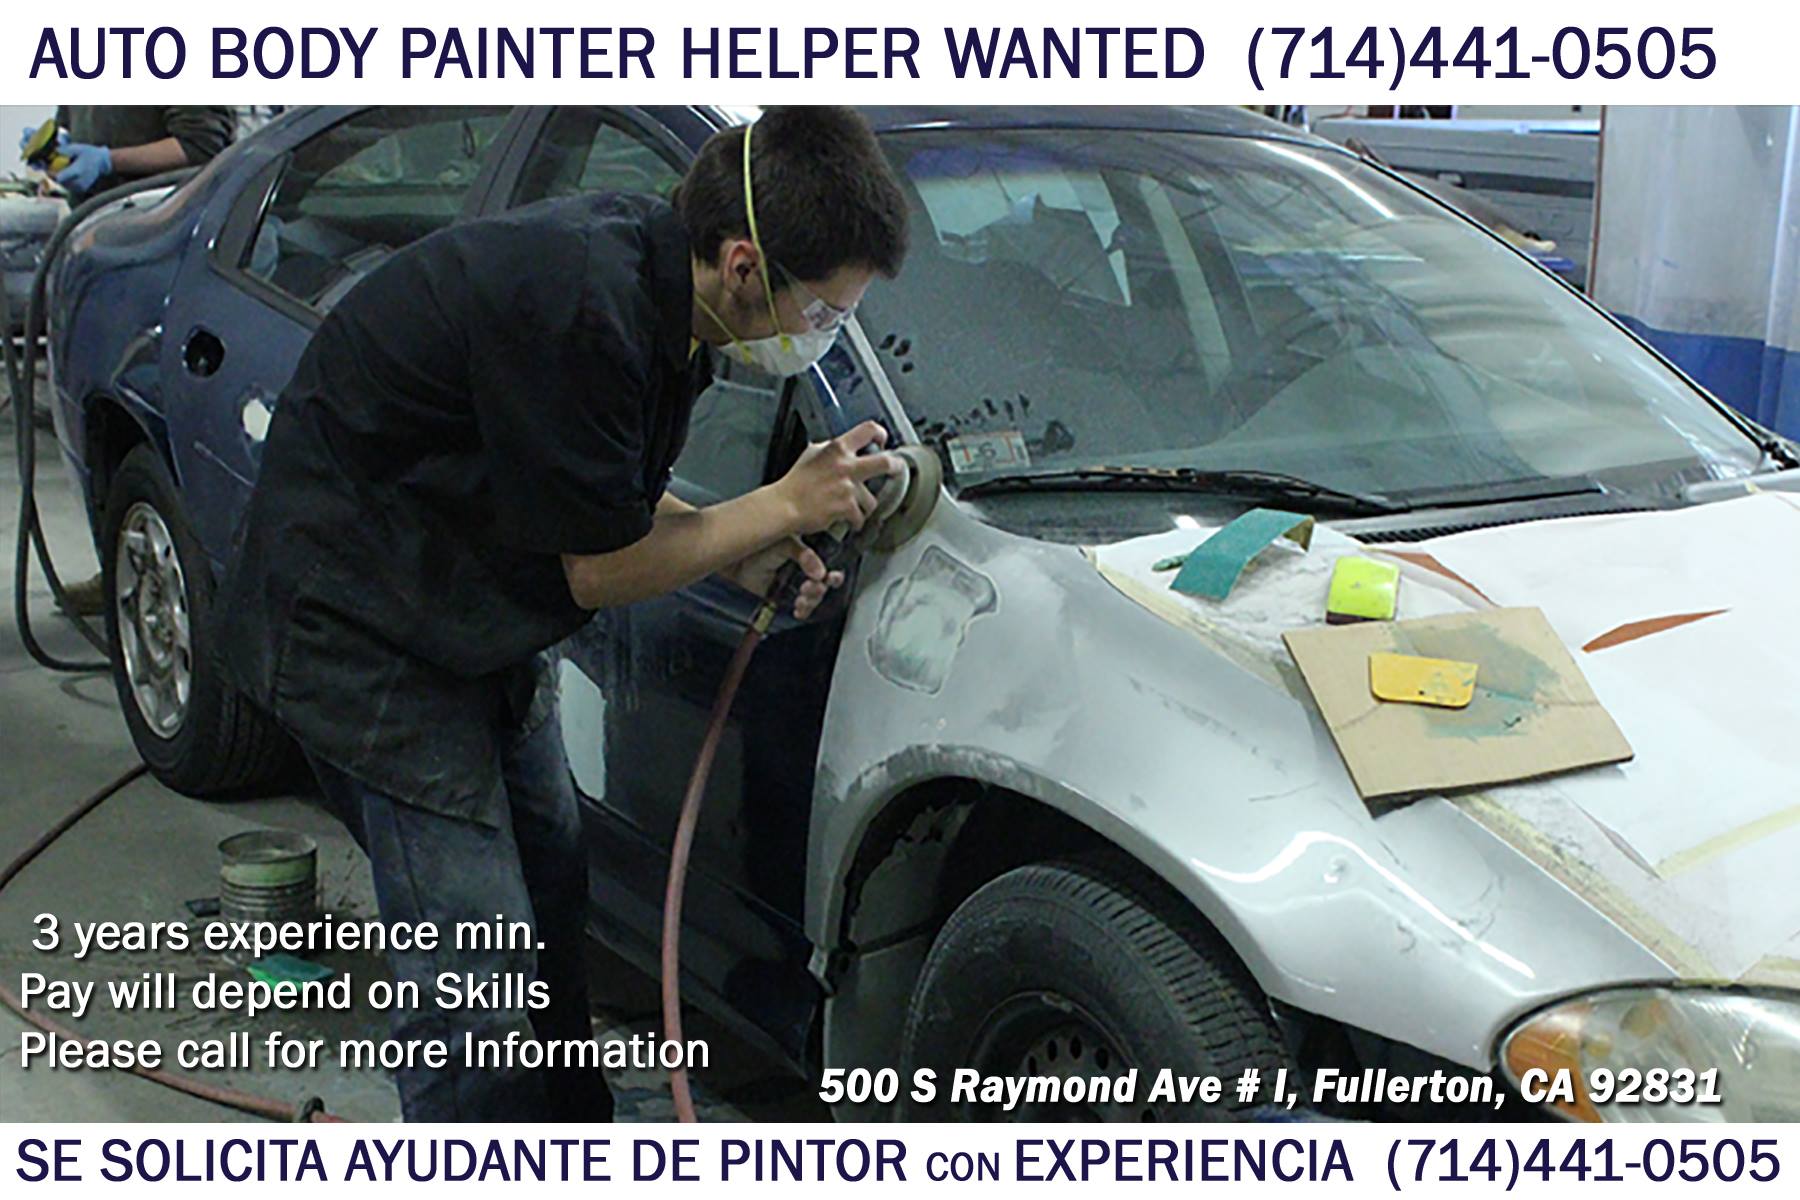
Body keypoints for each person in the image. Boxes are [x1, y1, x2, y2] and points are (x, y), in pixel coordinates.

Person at [214, 107, 910, 1122]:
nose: (825, 332)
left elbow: (599, 494)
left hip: (470, 604)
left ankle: (566, 1134)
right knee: (476, 958)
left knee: (551, 879)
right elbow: (596, 569)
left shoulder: (667, 297)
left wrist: (736, 546)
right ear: (744, 265)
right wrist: (780, 505)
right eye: (826, 311)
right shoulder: (586, 308)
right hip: (362, 633)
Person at [22, 106, 237, 617]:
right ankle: (124, 563)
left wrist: (108, 159)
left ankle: (187, 580)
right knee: (102, 423)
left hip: (164, 252)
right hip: (103, 250)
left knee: (157, 425)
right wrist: (57, 153)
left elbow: (203, 148)